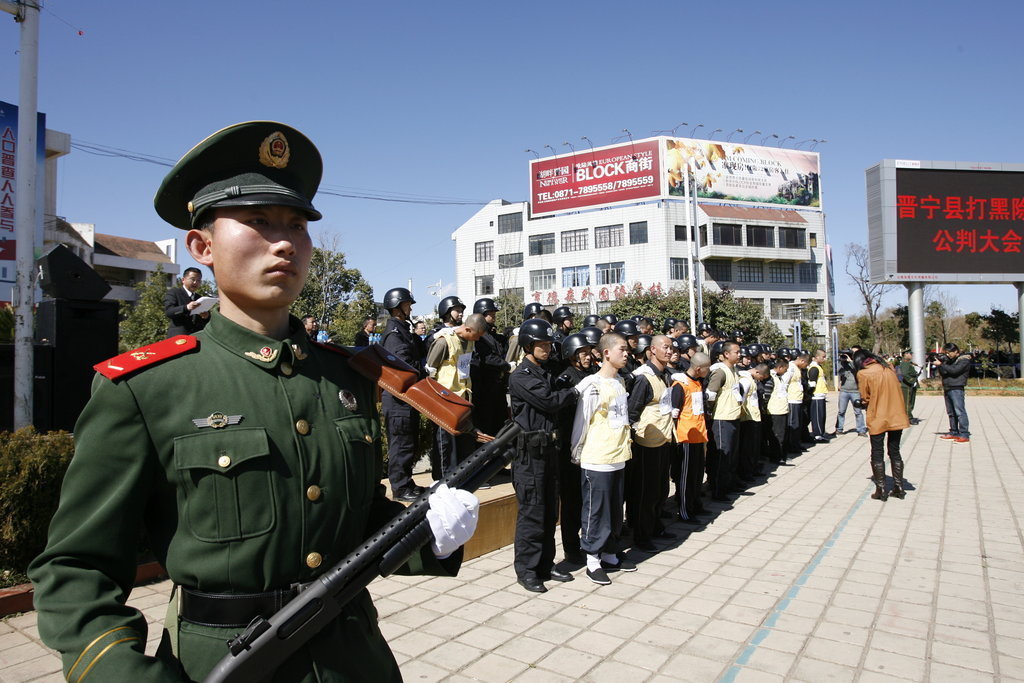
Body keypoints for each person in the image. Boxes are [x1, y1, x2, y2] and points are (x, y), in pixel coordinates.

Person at [28, 121, 478, 681]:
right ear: (203, 246)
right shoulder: (146, 387)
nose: (285, 241)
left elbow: (351, 519)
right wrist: (122, 673)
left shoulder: (345, 375)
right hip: (217, 663)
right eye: (259, 222)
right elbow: (76, 568)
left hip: (352, 657)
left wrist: (427, 536)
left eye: (296, 224)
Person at [507, 319, 579, 593]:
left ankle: (546, 565)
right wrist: (572, 392)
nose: (547, 349)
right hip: (529, 454)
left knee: (550, 511)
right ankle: (527, 570)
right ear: (528, 345)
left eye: (549, 344)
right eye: (541, 345)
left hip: (550, 450)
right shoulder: (522, 376)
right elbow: (549, 401)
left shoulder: (546, 372)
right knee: (533, 512)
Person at [571, 333, 637, 585]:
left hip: (619, 455)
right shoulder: (592, 385)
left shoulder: (620, 381)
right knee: (595, 511)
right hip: (596, 457)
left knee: (613, 509)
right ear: (606, 353)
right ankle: (592, 559)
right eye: (622, 349)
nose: (627, 353)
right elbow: (581, 421)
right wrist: (576, 452)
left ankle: (610, 552)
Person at [626, 335, 676, 551]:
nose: (669, 351)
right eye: (665, 347)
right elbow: (632, 411)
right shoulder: (643, 377)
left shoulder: (665, 375)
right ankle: (641, 534)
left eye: (671, 347)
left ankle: (655, 525)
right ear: (652, 350)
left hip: (663, 438)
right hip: (646, 443)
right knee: (645, 492)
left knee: (660, 488)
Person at [425, 313, 488, 477]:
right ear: (467, 328)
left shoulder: (470, 342)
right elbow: (430, 372)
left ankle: (462, 478)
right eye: (476, 335)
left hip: (463, 400)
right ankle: (443, 481)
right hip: (445, 402)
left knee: (464, 442)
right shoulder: (443, 341)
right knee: (446, 445)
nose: (478, 339)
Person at [380, 286, 427, 500]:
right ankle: (400, 488)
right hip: (398, 400)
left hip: (405, 399)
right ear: (397, 307)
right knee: (401, 445)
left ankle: (407, 482)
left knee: (408, 442)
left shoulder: (402, 330)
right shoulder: (394, 333)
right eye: (407, 304)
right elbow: (403, 364)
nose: (410, 308)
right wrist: (423, 367)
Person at [553, 333, 595, 564]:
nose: (588, 357)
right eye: (583, 353)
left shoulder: (591, 374)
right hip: (570, 448)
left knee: (586, 498)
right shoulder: (566, 379)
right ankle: (571, 547)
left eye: (590, 352)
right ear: (571, 355)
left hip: (590, 445)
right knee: (571, 500)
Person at [854, 350, 910, 500]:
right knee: (895, 451)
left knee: (877, 452)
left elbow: (865, 397)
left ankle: (881, 489)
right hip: (896, 415)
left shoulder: (864, 374)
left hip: (878, 416)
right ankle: (898, 486)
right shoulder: (888, 368)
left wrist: (863, 403)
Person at [670, 352, 711, 523]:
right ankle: (685, 511)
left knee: (696, 475)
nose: (709, 372)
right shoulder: (681, 385)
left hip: (699, 434)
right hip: (685, 436)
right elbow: (673, 412)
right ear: (699, 368)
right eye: (707, 368)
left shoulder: (697, 382)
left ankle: (695, 504)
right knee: (686, 477)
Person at [934, 343, 971, 443]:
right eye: (946, 353)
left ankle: (964, 434)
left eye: (949, 352)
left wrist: (942, 364)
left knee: (959, 412)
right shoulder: (950, 361)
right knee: (951, 412)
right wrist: (941, 364)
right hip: (947, 387)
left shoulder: (964, 360)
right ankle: (954, 431)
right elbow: (944, 373)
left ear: (956, 351)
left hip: (957, 388)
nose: (948, 355)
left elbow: (955, 371)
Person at [163, 267, 210, 336]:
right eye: (193, 279)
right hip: (178, 338)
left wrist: (206, 316)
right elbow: (169, 312)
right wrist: (186, 307)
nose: (195, 283)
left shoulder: (200, 298)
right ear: (183, 280)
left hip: (197, 338)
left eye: (198, 280)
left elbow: (207, 321)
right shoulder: (174, 293)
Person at [835, 350, 867, 437]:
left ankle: (861, 430)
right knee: (841, 411)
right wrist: (841, 361)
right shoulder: (842, 363)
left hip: (855, 391)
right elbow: (839, 371)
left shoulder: (856, 363)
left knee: (858, 412)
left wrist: (851, 361)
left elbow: (857, 370)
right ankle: (839, 429)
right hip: (844, 391)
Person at [897, 350, 920, 424]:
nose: (911, 355)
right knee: (907, 403)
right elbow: (904, 374)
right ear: (905, 354)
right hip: (906, 385)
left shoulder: (908, 363)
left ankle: (908, 416)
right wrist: (912, 381)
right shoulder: (905, 363)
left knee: (911, 402)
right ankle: (908, 418)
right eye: (910, 353)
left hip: (909, 385)